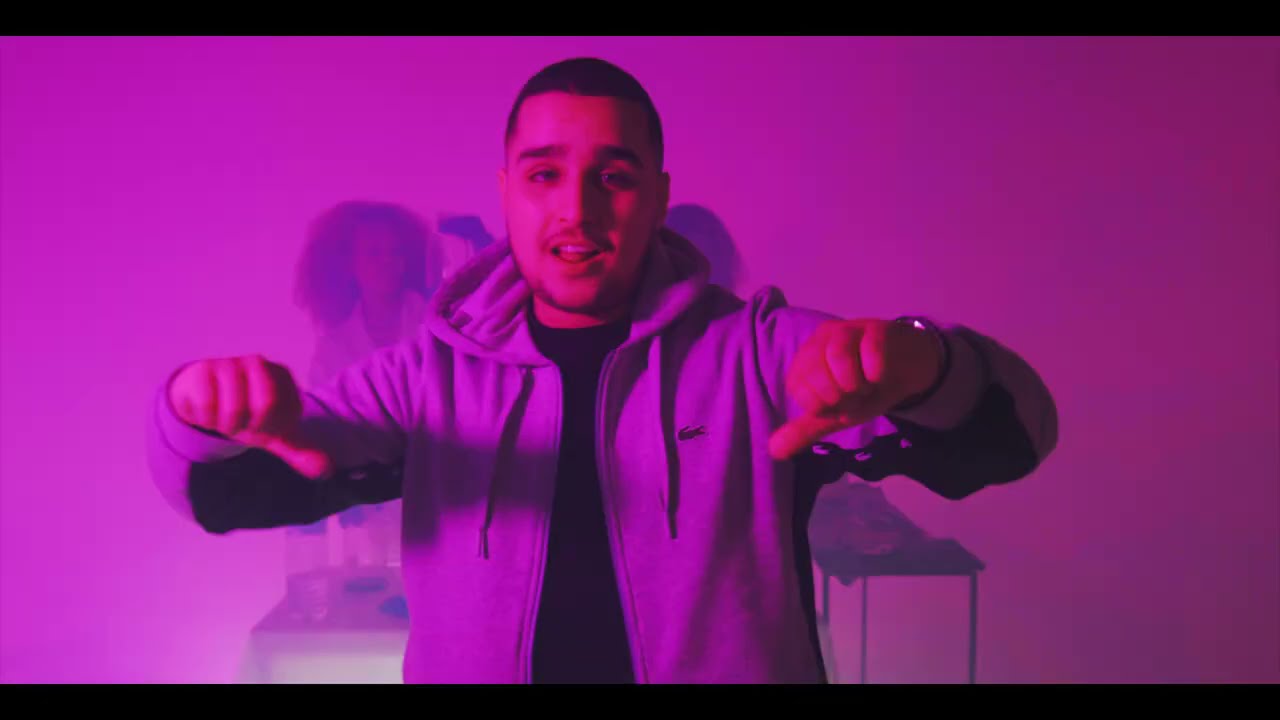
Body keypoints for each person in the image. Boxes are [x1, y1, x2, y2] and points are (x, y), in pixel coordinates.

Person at [146, 57, 1058, 684]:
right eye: (544, 174)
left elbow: (1018, 436)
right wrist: (195, 416)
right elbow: (214, 494)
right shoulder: (426, 380)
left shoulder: (755, 354)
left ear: (658, 196)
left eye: (613, 176)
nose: (576, 209)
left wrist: (927, 361)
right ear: (506, 191)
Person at [291, 200, 443, 570]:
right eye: (374, 252)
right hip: (371, 521)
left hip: (446, 501)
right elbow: (324, 428)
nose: (387, 262)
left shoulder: (437, 324)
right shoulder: (334, 347)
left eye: (394, 252)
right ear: (352, 265)